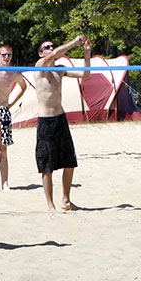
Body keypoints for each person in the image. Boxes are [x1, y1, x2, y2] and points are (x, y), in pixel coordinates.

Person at [31, 35, 92, 211]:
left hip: (60, 118)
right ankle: (50, 205)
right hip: (45, 120)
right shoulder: (39, 66)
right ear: (41, 53)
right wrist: (74, 42)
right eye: (47, 47)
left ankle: (66, 200)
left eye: (52, 46)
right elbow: (57, 53)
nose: (51, 48)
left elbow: (85, 74)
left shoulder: (60, 69)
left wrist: (86, 54)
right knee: (46, 165)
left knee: (69, 161)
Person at [0, 43, 30, 189]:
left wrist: (11, 102)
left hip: (3, 109)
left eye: (9, 55)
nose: (6, 57)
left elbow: (23, 86)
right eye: (4, 54)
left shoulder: (13, 72)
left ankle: (5, 183)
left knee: (2, 148)